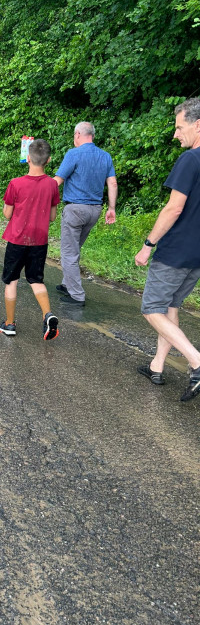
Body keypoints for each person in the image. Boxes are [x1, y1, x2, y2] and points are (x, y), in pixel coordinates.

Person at [135, 97, 200, 402]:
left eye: (179, 126)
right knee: (170, 306)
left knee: (151, 308)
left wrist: (148, 244)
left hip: (175, 251)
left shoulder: (190, 160)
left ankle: (196, 360)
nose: (176, 134)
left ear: (198, 125)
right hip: (196, 256)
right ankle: (157, 366)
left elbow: (174, 208)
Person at [0, 139, 60, 340]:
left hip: (17, 240)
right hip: (39, 241)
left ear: (27, 158)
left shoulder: (15, 183)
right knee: (36, 279)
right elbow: (52, 217)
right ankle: (47, 315)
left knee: (12, 281)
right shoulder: (52, 184)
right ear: (48, 160)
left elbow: (7, 214)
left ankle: (9, 324)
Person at [53, 122, 117, 306]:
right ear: (93, 136)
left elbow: (57, 180)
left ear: (78, 134)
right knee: (75, 248)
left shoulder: (74, 154)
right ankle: (67, 283)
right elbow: (112, 184)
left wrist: (37, 190)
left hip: (75, 210)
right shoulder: (105, 156)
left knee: (68, 252)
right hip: (95, 211)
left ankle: (76, 295)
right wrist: (111, 208)